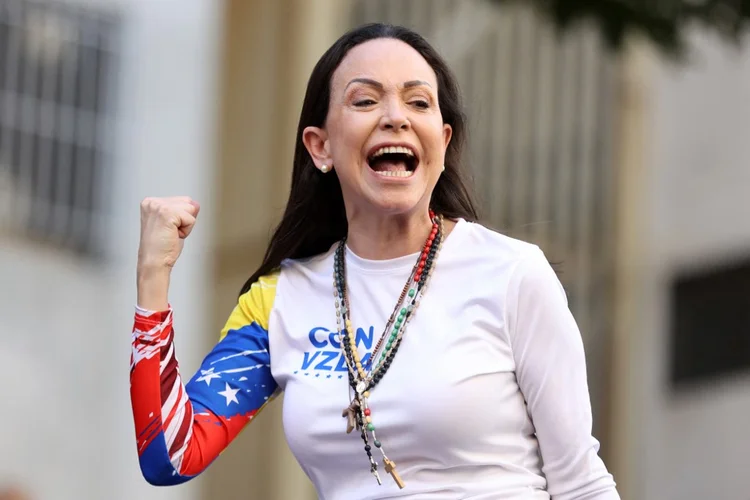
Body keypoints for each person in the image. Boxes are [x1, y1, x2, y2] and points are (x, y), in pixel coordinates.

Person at [130, 23, 620, 500]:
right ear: (319, 147)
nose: (395, 117)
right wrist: (153, 278)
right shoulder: (280, 300)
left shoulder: (512, 274)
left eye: (418, 102)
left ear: (443, 143)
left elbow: (581, 484)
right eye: (365, 100)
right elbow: (171, 456)